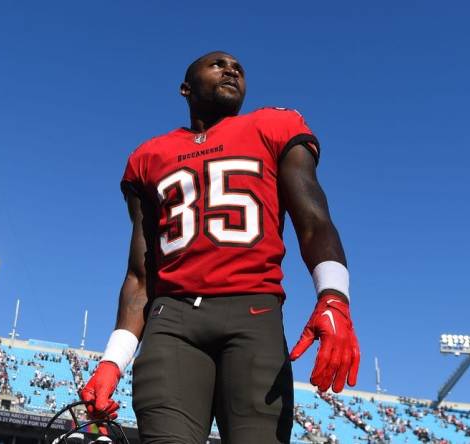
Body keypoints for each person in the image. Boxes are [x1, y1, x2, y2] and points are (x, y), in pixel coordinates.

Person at [80, 51, 360, 443]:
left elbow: (313, 218)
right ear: (185, 87)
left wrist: (333, 297)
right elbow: (141, 275)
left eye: (239, 68)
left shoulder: (274, 125)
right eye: (218, 64)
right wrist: (112, 361)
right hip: (172, 320)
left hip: (253, 313)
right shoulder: (148, 157)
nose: (232, 69)